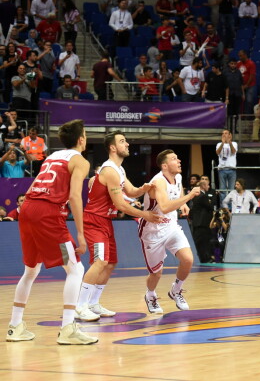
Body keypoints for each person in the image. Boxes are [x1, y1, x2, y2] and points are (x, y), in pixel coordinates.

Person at [6, 119, 98, 344]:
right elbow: (75, 196)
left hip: (27, 210)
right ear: (81, 139)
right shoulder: (80, 161)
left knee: (30, 270)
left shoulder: (52, 157)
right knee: (76, 268)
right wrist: (80, 234)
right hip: (47, 214)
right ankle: (68, 328)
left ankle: (15, 326)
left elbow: (30, 189)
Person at [75, 131, 161, 321]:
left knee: (110, 263)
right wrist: (145, 215)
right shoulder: (110, 171)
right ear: (112, 147)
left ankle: (93, 303)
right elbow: (121, 205)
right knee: (100, 262)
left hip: (105, 221)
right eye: (122, 141)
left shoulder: (119, 170)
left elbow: (131, 191)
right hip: (93, 221)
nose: (127, 144)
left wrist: (145, 188)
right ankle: (79, 306)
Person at [140, 150, 201, 314]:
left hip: (172, 226)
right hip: (153, 230)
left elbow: (177, 191)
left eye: (178, 157)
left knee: (188, 260)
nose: (179, 161)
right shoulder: (158, 182)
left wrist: (182, 204)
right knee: (156, 274)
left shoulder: (178, 177)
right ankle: (150, 295)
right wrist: (188, 197)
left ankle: (176, 290)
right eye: (174, 159)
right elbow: (165, 207)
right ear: (165, 165)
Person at [189, 175, 216, 263]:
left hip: (197, 222)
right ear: (203, 186)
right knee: (202, 242)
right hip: (202, 223)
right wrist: (210, 202)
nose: (208, 187)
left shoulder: (196, 196)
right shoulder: (203, 196)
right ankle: (204, 258)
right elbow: (210, 206)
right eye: (207, 185)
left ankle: (204, 258)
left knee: (200, 242)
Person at [216, 129, 238, 202]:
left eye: (226, 133)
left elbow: (233, 151)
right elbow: (218, 152)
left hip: (232, 169)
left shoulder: (234, 143)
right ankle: (223, 207)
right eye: (223, 133)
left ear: (230, 135)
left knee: (232, 189)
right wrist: (223, 143)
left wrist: (229, 142)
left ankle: (231, 207)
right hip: (222, 169)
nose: (224, 135)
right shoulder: (219, 144)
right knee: (222, 189)